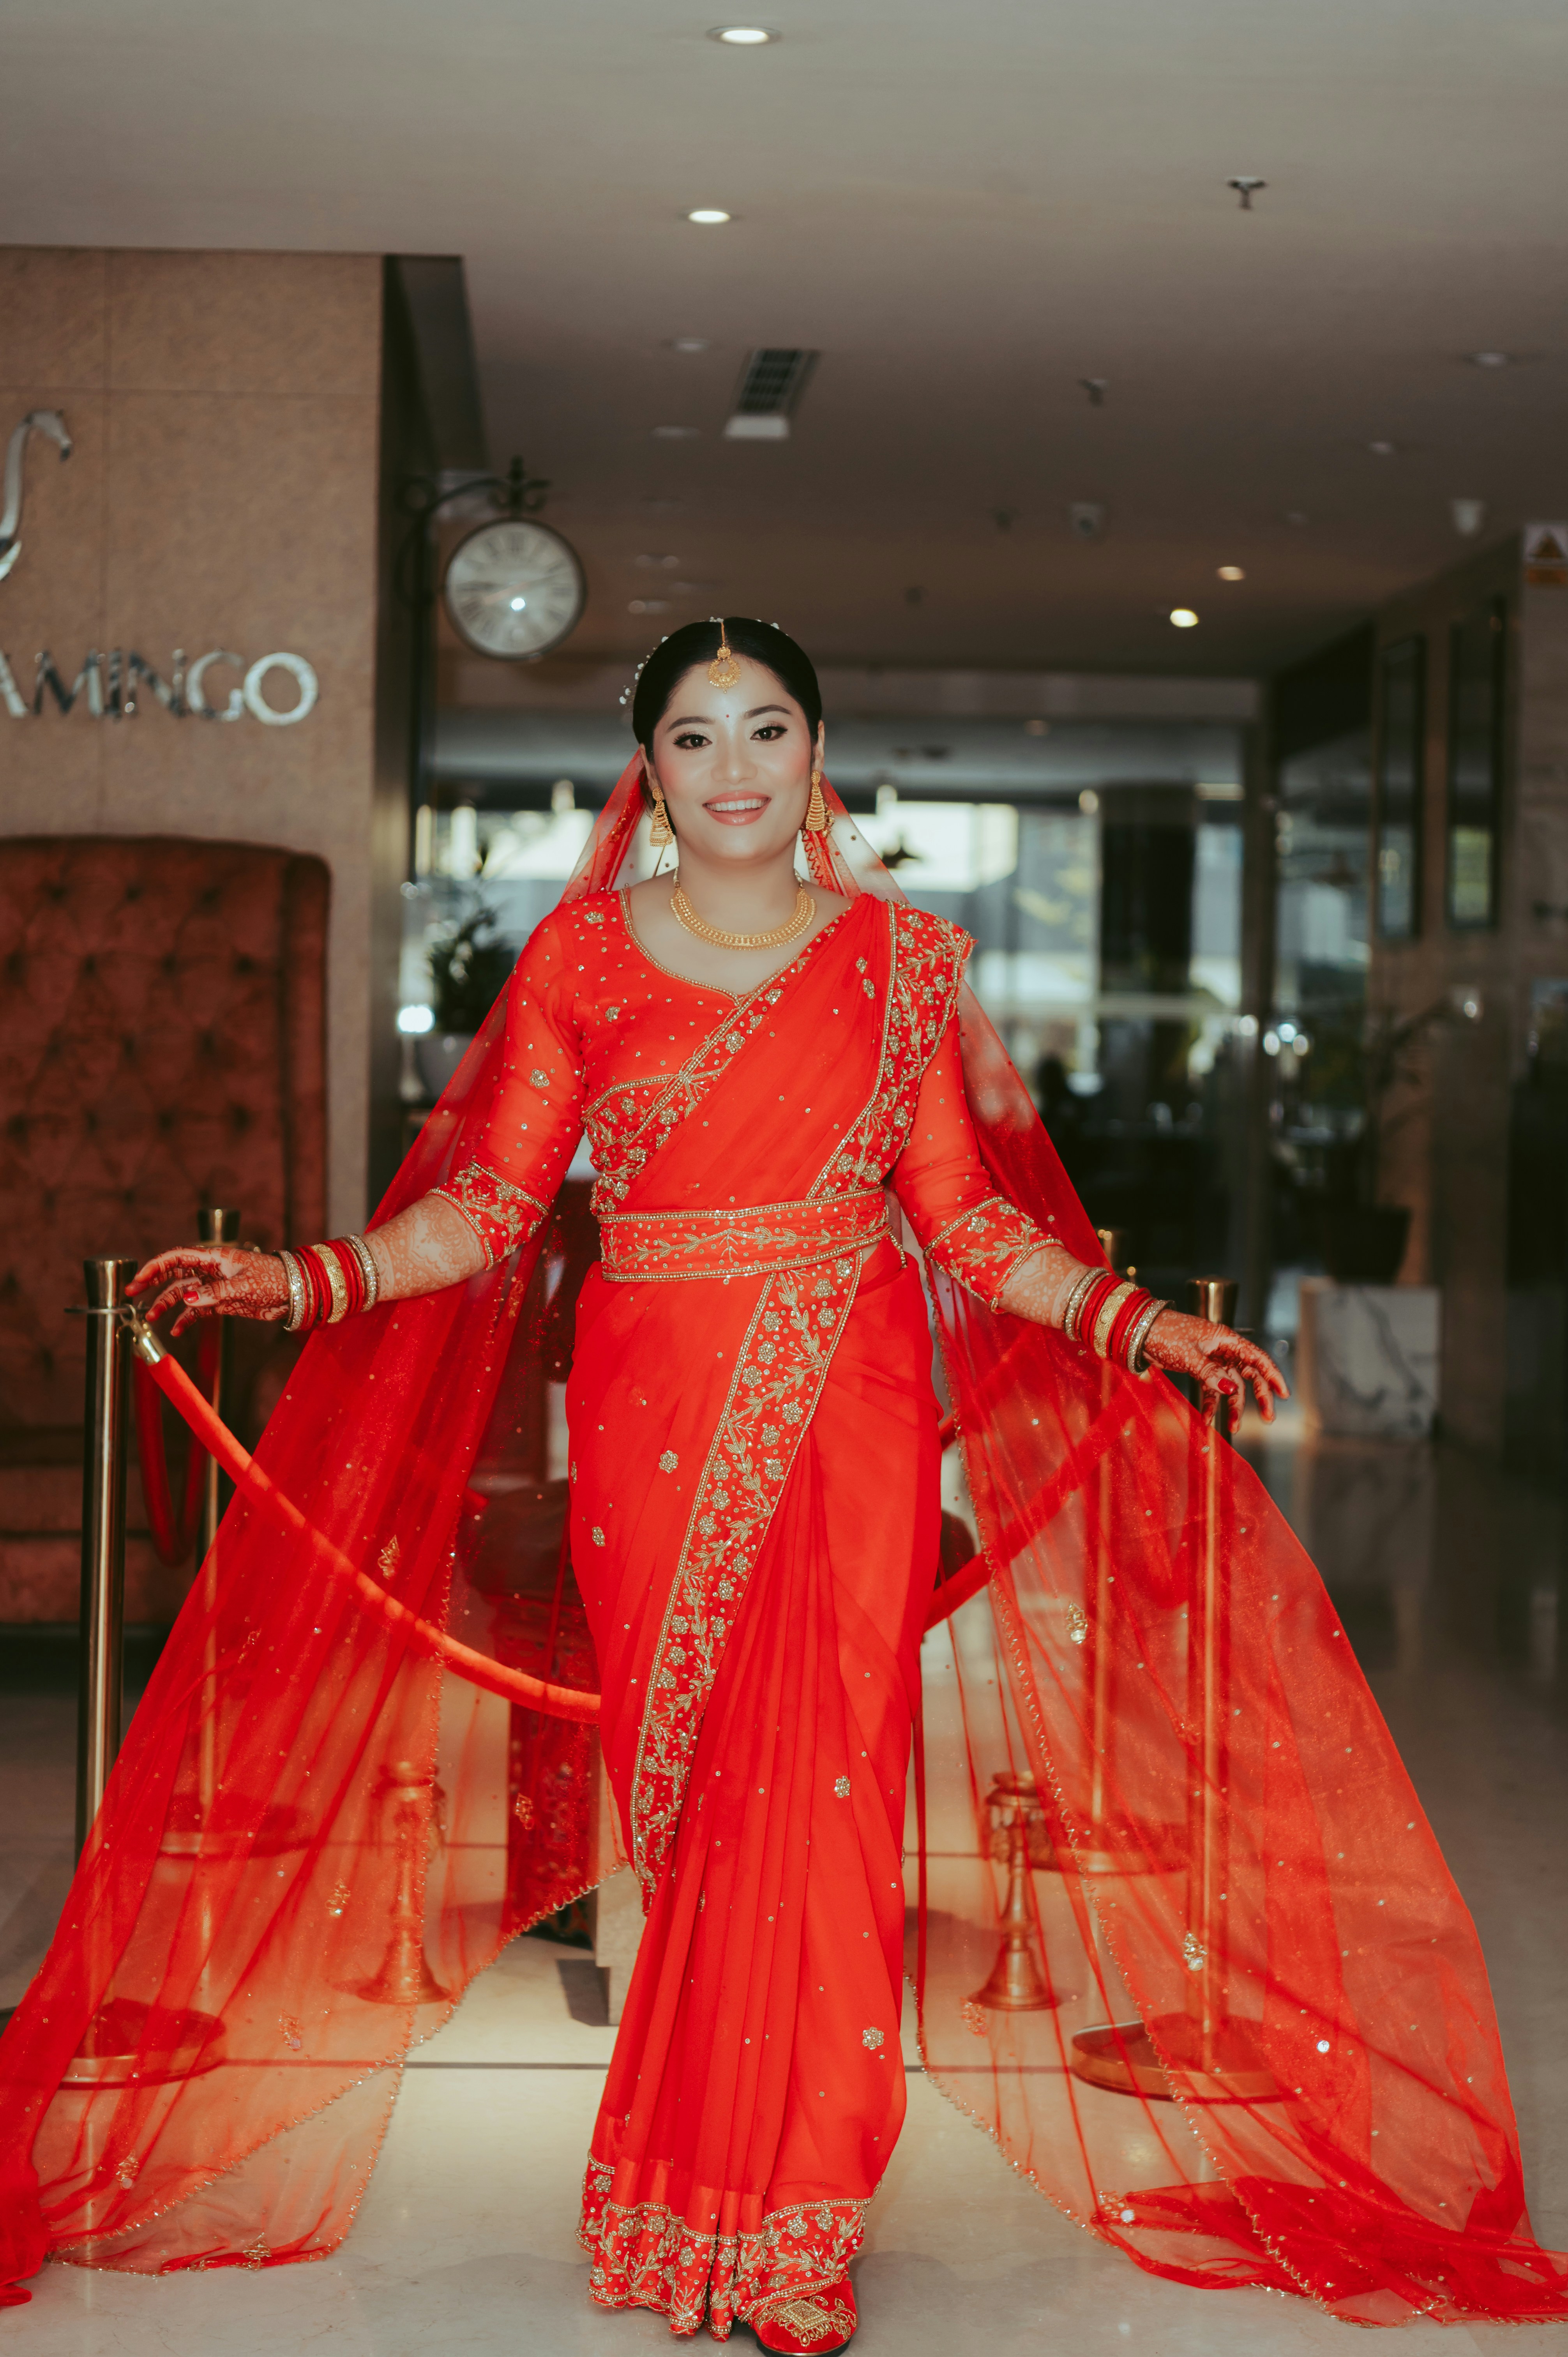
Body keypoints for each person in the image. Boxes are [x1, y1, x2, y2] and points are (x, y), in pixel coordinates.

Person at [2, 620, 1565, 2339]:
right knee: (694, 1809)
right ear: (648, 770)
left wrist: (1135, 1326)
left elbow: (966, 1221)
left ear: (816, 750)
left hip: (851, 1396)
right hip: (647, 1408)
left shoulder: (904, 960)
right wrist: (305, 1282)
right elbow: (493, 1211)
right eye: (693, 736)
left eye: (766, 728)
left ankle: (800, 2216)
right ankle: (684, 2194)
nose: (733, 766)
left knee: (824, 1796)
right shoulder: (581, 958)